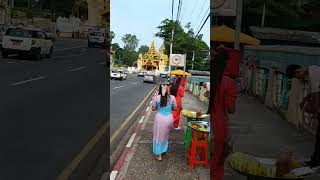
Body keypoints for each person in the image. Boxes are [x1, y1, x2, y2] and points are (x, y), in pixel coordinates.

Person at [210, 47, 237, 180]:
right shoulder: (229, 82)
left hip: (208, 123)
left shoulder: (212, 79)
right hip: (219, 126)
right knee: (218, 161)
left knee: (209, 159)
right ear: (226, 63)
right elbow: (231, 109)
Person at [298, 65, 320, 167]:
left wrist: (315, 113)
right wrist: (305, 99)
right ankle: (315, 160)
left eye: (299, 76)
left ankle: (315, 161)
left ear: (299, 71)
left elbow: (316, 95)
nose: (302, 79)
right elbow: (313, 93)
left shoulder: (313, 73)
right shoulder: (313, 70)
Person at [152, 83, 177, 161]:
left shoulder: (156, 98)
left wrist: (160, 107)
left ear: (160, 89)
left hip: (160, 119)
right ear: (168, 89)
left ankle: (158, 154)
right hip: (169, 118)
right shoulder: (172, 98)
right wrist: (169, 108)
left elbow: (153, 109)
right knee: (165, 135)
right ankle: (163, 150)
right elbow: (175, 109)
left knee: (158, 135)